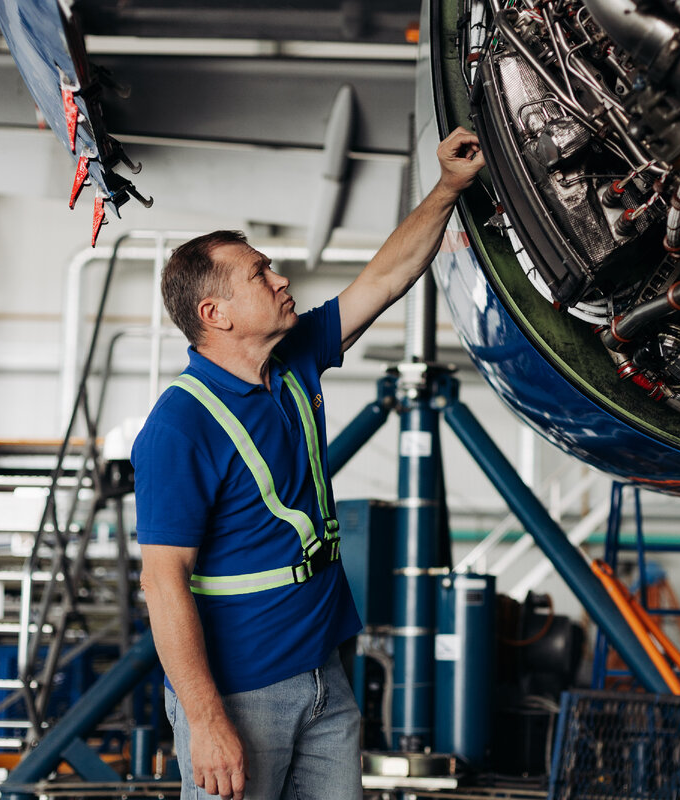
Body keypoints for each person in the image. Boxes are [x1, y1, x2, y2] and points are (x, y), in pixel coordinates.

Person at [132, 127, 484, 800]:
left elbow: (383, 280)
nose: (281, 277)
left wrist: (448, 189)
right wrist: (206, 721)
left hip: (325, 674)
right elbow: (163, 581)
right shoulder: (180, 429)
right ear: (216, 314)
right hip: (240, 696)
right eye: (260, 273)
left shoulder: (292, 361)